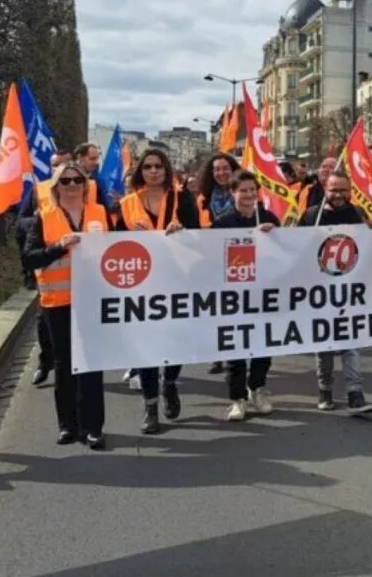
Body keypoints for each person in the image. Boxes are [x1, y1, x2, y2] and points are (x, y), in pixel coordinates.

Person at [21, 162, 109, 449]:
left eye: (77, 180)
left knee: (91, 363)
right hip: (58, 301)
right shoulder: (42, 217)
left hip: (93, 299)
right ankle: (68, 426)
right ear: (56, 187)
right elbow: (30, 257)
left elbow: (121, 245)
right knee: (65, 364)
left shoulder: (99, 213)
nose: (72, 185)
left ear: (86, 185)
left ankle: (93, 427)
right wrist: (59, 246)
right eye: (65, 181)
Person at [115, 148, 201, 433]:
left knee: (175, 341)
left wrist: (184, 231)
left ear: (166, 171)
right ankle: (150, 408)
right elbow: (111, 244)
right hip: (141, 286)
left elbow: (200, 236)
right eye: (148, 166)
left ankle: (171, 382)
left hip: (178, 282)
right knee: (147, 347)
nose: (153, 171)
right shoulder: (127, 204)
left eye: (159, 166)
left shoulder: (181, 198)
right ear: (141, 171)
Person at [300, 172, 372, 414]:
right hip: (319, 291)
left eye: (343, 190)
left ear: (351, 190)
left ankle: (356, 393)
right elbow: (294, 248)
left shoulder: (357, 214)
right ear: (325, 189)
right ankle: (325, 390)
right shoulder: (312, 215)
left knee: (350, 342)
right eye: (334, 190)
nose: (338, 195)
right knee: (324, 344)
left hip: (349, 290)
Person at [211, 170, 281, 421]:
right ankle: (237, 398)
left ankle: (257, 389)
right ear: (233, 193)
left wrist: (274, 235)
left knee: (263, 344)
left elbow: (285, 253)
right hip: (234, 296)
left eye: (253, 190)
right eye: (243, 190)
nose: (249, 195)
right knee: (236, 348)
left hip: (264, 294)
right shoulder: (222, 224)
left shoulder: (270, 218)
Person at [17, 148, 71, 386]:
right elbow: (20, 221)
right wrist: (39, 220)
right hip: (51, 274)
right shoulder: (39, 191)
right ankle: (45, 361)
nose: (61, 170)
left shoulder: (86, 190)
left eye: (65, 165)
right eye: (56, 165)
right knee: (45, 325)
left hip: (85, 277)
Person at [196, 151, 240, 375]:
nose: (221, 173)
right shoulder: (203, 198)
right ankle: (217, 353)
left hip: (238, 256)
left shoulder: (242, 194)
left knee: (235, 308)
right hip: (212, 259)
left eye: (225, 168)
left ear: (234, 171)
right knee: (216, 309)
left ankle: (234, 353)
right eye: (217, 169)